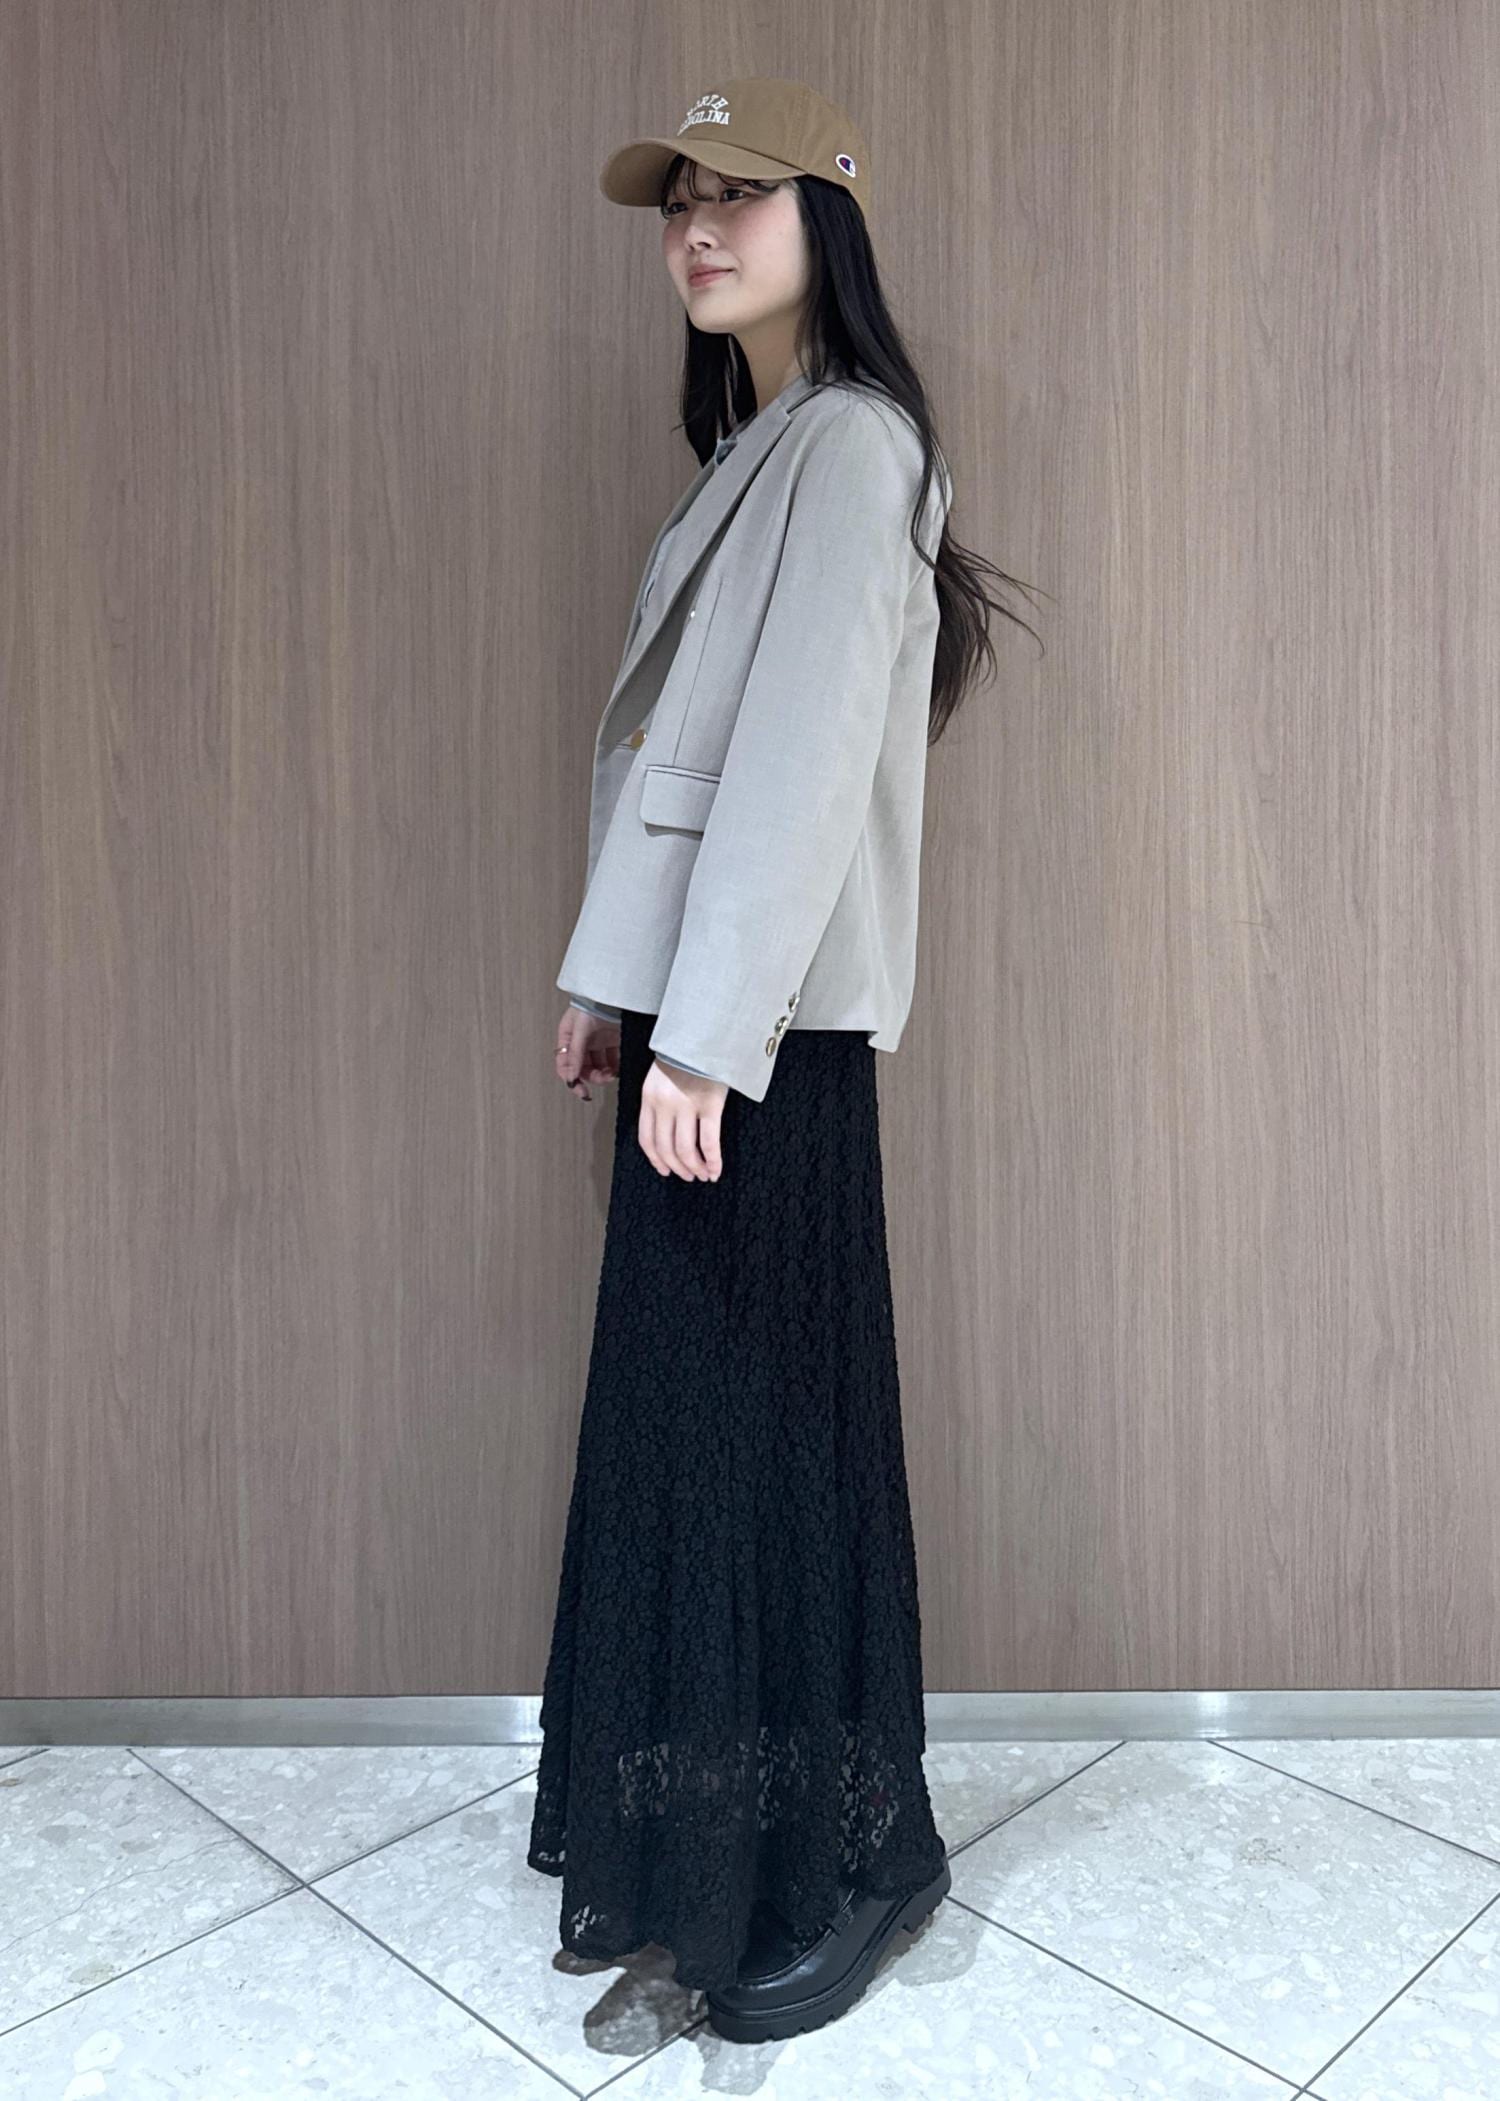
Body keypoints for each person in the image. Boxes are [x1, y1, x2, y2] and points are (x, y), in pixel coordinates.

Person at [528, 76, 1038, 2046]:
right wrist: (615, 986)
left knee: (763, 1444)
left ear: (831, 216)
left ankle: (835, 1864)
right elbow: (684, 760)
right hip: (710, 1024)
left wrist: (708, 1032)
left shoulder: (853, 446)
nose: (700, 226)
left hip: (767, 1042)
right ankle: (714, 1847)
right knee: (712, 1441)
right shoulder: (760, 449)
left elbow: (805, 769)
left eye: (743, 193)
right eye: (681, 198)